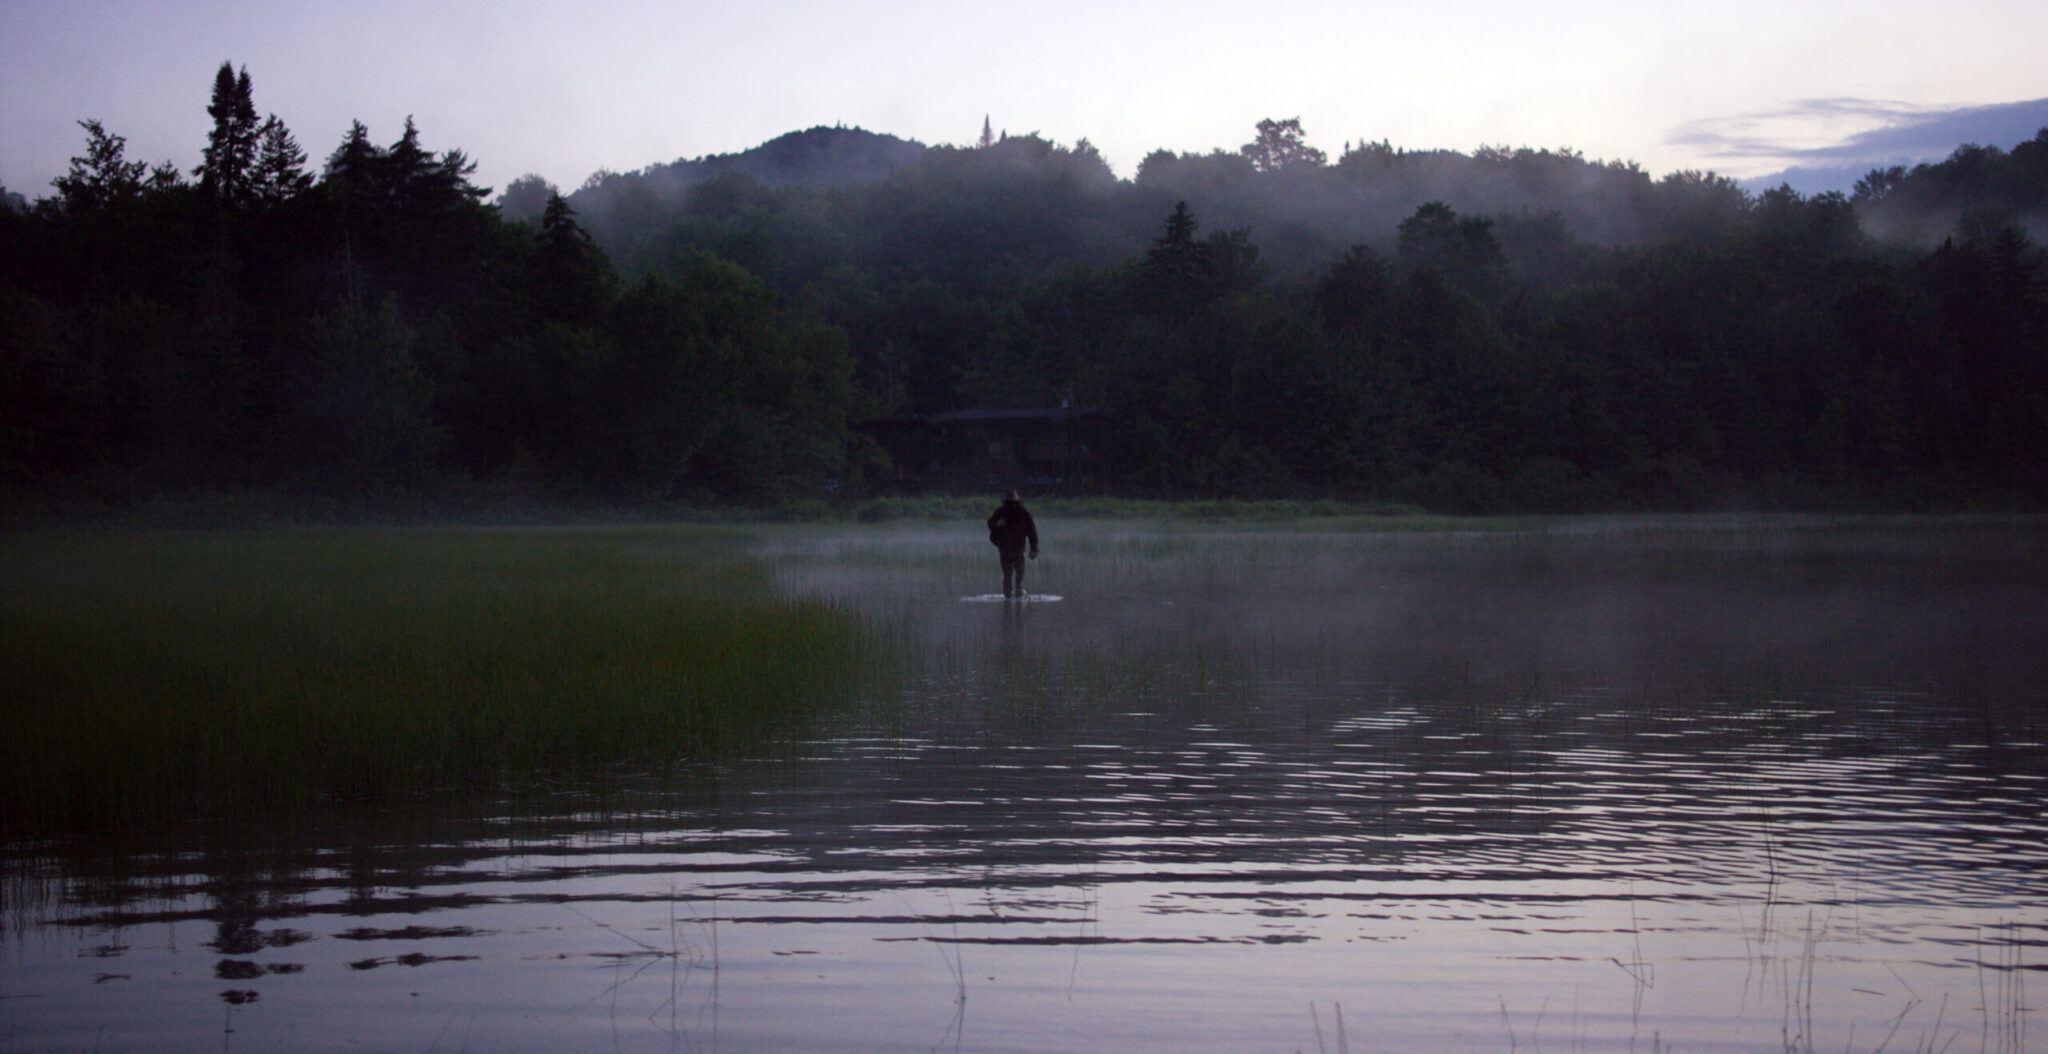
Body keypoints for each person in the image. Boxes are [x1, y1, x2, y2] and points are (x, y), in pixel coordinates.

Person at [986, 490, 1039, 598]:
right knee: (1008, 575)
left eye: (1014, 502)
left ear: (1018, 502)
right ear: (1006, 503)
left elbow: (1032, 532)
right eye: (1010, 503)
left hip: (1019, 549)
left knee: (1020, 573)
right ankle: (1007, 596)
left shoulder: (1024, 514)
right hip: (1004, 549)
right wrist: (997, 524)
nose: (1012, 505)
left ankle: (1018, 590)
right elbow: (990, 523)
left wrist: (1034, 548)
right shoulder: (1000, 512)